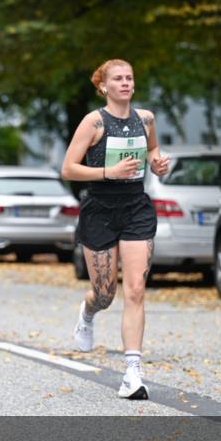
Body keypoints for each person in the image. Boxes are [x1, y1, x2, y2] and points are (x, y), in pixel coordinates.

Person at [61, 59, 170, 400]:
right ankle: (88, 311)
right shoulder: (93, 122)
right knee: (106, 292)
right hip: (100, 209)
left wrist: (157, 162)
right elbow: (68, 168)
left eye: (129, 78)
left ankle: (132, 373)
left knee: (136, 288)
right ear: (104, 86)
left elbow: (152, 147)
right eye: (117, 79)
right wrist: (110, 172)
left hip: (136, 206)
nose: (125, 83)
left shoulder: (146, 118)